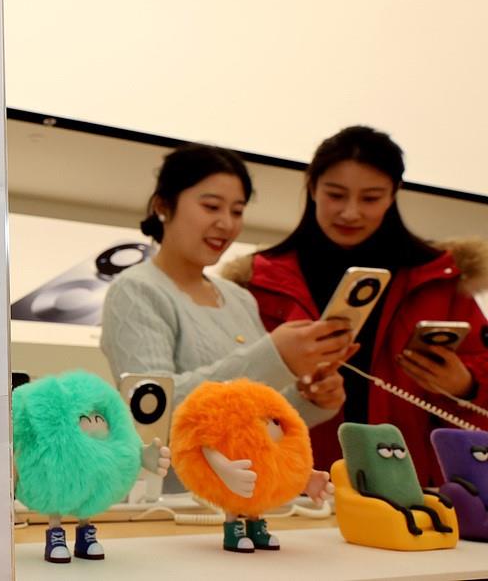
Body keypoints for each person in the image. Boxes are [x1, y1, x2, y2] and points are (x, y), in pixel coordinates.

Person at [223, 125, 488, 486]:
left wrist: (465, 385)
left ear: (394, 194)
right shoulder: (257, 281)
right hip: (297, 487)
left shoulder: (441, 278)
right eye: (335, 195)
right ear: (312, 188)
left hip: (412, 487)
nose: (350, 213)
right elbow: (234, 390)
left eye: (371, 198)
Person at [100, 144, 354, 449]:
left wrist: (310, 399)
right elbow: (153, 412)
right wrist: (274, 357)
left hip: (251, 476)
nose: (227, 224)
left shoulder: (239, 298)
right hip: (177, 480)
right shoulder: (135, 290)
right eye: (211, 207)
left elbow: (259, 419)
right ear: (163, 206)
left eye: (237, 211)